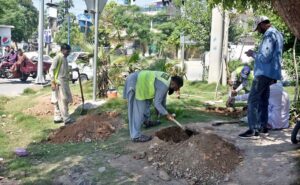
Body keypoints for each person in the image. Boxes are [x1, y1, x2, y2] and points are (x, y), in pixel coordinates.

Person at [239, 16, 284, 139]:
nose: (258, 31)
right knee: (263, 99)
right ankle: (263, 128)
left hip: (264, 73)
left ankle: (253, 130)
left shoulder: (269, 35)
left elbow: (265, 57)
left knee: (253, 99)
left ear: (262, 24)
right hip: (272, 73)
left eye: (258, 28)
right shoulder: (278, 34)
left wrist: (253, 53)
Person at [123, 70, 184, 142]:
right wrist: (167, 114)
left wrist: (165, 113)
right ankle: (135, 136)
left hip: (142, 84)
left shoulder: (167, 80)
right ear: (174, 83)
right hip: (136, 82)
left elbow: (162, 100)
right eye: (178, 87)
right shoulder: (164, 85)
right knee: (138, 111)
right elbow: (157, 103)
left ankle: (146, 122)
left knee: (147, 103)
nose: (177, 89)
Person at [49, 43, 74, 125]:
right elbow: (51, 70)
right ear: (63, 50)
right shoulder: (58, 57)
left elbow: (65, 70)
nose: (68, 53)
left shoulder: (65, 58)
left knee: (58, 100)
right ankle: (66, 119)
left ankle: (57, 118)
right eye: (67, 51)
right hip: (59, 82)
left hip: (64, 81)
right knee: (63, 100)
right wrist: (52, 82)